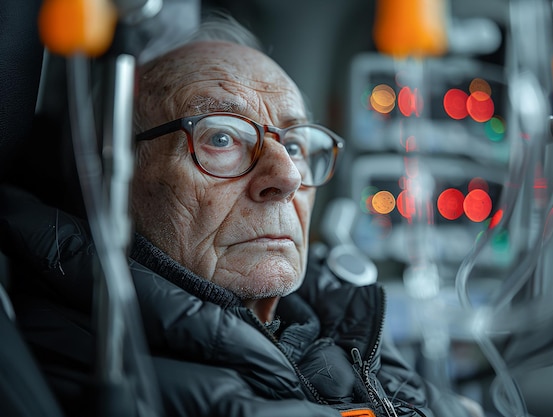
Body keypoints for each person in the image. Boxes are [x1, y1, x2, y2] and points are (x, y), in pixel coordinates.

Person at [0, 12, 482, 417]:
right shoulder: (86, 370)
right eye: (222, 138)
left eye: (293, 143)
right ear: (107, 176)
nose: (288, 176)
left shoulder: (346, 326)